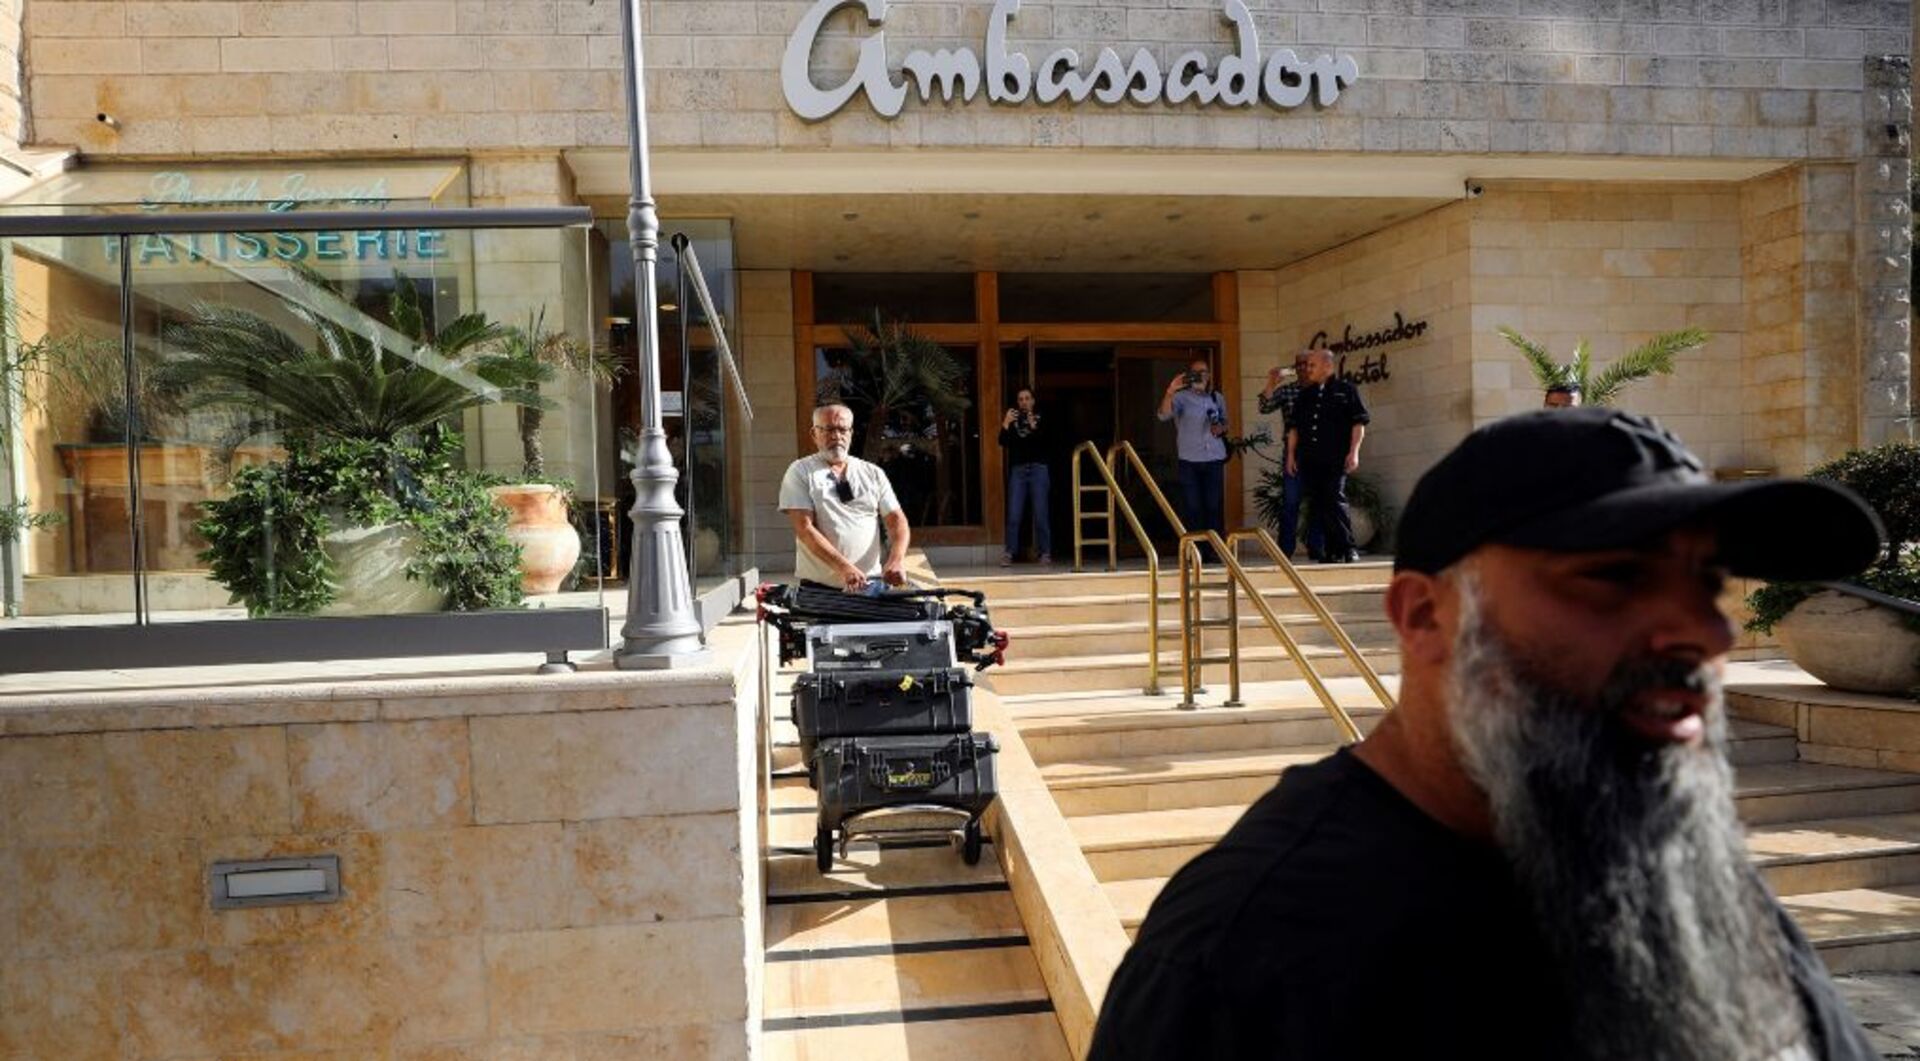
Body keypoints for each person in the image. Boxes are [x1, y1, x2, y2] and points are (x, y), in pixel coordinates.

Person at [1088, 407, 1883, 1061]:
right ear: (1424, 615)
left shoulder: (1682, 873)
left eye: (1708, 583)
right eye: (1614, 577)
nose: (1708, 632)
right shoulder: (1249, 957)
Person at [779, 403, 910, 593]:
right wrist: (844, 568)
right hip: (821, 590)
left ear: (851, 433)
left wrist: (896, 560)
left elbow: (896, 520)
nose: (836, 436)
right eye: (829, 429)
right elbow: (804, 529)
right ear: (814, 434)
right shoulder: (800, 471)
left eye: (842, 430)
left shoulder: (873, 473)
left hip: (870, 586)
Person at [1285, 348, 1368, 563]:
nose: (1308, 369)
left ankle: (1348, 548)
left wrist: (1354, 452)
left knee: (1335, 498)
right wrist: (1291, 456)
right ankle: (1332, 551)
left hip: (1335, 458)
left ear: (1327, 366)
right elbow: (1293, 428)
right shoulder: (1305, 395)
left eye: (1312, 365)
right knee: (1319, 504)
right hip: (1310, 459)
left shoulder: (1346, 390)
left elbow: (1358, 423)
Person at [1258, 349, 1323, 561]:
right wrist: (1271, 383)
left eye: (1307, 363)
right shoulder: (1287, 391)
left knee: (1318, 501)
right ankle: (1285, 550)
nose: (1303, 368)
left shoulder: (1324, 390)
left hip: (1319, 452)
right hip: (1294, 453)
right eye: (1299, 364)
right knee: (1291, 501)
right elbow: (1264, 407)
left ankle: (1317, 547)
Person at [1157, 357, 1229, 544]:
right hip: (1189, 460)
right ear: (1189, 376)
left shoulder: (1217, 397)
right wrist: (1170, 391)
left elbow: (1225, 423)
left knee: (1213, 506)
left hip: (1214, 458)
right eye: (1195, 372)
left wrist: (1220, 428)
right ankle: (1196, 550)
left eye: (1203, 372)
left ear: (1208, 375)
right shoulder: (1181, 397)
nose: (1199, 376)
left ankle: (1215, 550)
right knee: (1193, 508)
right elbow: (1163, 415)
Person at [998, 386, 1052, 566]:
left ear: (1033, 401)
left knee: (1040, 513)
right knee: (1014, 514)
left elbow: (1045, 441)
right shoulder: (1013, 420)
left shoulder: (1041, 418)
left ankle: (1045, 552)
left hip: (1038, 469)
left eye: (1027, 398)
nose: (1024, 402)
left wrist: (1033, 425)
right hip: (1018, 471)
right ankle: (1009, 553)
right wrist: (1006, 422)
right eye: (1021, 399)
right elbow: (1002, 441)